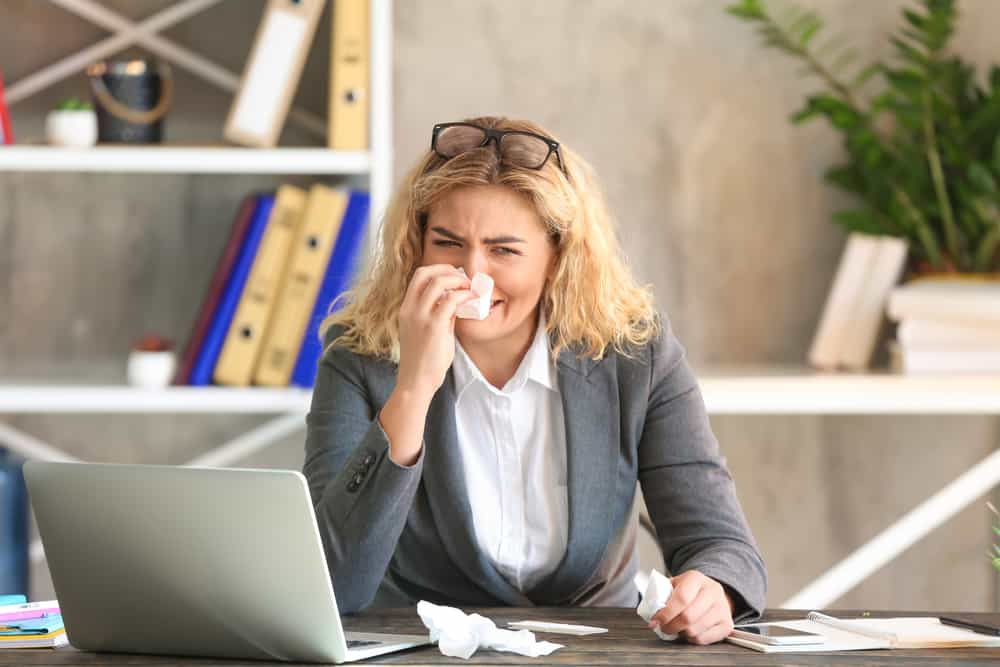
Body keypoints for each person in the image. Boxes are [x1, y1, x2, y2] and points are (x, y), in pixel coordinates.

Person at [303, 116, 766, 645]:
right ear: (416, 246)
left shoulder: (634, 353)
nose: (472, 273)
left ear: (557, 258)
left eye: (504, 250)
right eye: (447, 242)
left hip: (597, 653)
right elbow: (332, 583)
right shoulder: (359, 353)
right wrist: (413, 388)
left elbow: (723, 546)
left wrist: (713, 589)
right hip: (424, 651)